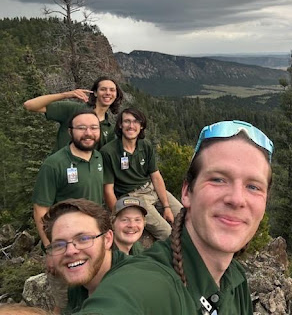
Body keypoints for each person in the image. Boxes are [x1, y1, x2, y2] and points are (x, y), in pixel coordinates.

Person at [76, 120, 274, 315]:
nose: (237, 199)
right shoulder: (145, 284)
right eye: (218, 179)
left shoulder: (235, 280)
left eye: (253, 186)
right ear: (187, 192)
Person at [32, 111, 104, 314]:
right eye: (81, 128)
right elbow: (40, 210)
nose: (88, 133)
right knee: (63, 305)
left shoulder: (98, 157)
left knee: (92, 298)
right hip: (64, 247)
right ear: (70, 131)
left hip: (91, 242)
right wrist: (50, 250)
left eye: (93, 128)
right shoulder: (54, 164)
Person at [100, 107, 182, 240]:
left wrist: (166, 206)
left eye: (135, 122)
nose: (131, 126)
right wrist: (118, 215)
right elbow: (108, 190)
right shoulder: (108, 152)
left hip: (151, 189)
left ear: (141, 126)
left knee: (186, 218)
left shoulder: (145, 145)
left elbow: (155, 176)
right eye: (127, 121)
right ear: (120, 125)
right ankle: (176, 259)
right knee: (167, 232)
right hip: (133, 196)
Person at [42, 199, 128, 315]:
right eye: (59, 245)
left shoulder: (132, 285)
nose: (70, 251)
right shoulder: (78, 283)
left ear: (107, 239)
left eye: (83, 239)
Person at [23, 76, 123, 153]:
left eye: (112, 90)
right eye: (103, 89)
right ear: (95, 93)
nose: (108, 93)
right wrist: (67, 94)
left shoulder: (109, 129)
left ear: (116, 95)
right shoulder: (74, 109)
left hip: (86, 176)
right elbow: (30, 105)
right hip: (61, 172)